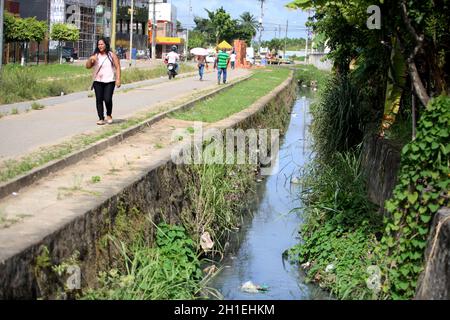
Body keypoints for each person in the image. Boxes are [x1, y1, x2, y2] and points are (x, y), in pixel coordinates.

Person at [86, 38, 121, 125]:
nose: (100, 46)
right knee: (99, 100)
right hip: (97, 81)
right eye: (99, 44)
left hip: (109, 81)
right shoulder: (95, 55)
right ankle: (101, 118)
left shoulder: (111, 55)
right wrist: (90, 59)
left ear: (106, 44)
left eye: (102, 44)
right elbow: (87, 66)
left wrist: (118, 79)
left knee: (108, 99)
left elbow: (117, 67)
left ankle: (109, 115)